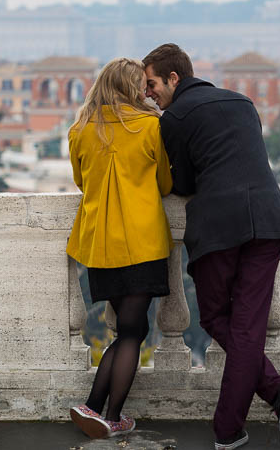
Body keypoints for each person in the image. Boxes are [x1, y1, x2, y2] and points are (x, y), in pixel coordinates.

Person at [142, 43, 280, 450]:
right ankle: (273, 392)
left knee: (216, 316)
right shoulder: (243, 102)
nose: (148, 94)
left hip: (217, 227)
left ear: (174, 78)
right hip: (266, 220)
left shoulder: (174, 117)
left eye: (152, 84)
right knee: (247, 324)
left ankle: (229, 428)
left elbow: (183, 184)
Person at [66, 57, 174, 439]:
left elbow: (81, 181)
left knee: (126, 330)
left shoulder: (79, 130)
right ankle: (106, 414)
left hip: (101, 245)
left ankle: (96, 409)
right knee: (132, 331)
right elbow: (164, 181)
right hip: (142, 242)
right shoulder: (151, 127)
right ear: (133, 88)